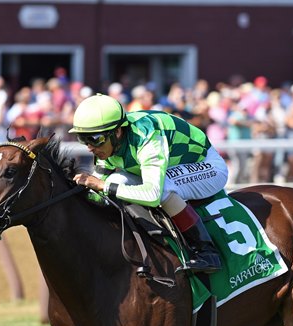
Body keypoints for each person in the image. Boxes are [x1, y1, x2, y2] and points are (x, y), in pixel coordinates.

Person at [70, 93, 228, 274]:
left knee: (163, 187)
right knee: (115, 181)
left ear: (117, 132)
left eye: (95, 139)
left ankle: (207, 252)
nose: (90, 147)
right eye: (84, 139)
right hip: (172, 167)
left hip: (207, 166)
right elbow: (97, 191)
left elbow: (152, 195)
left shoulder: (146, 136)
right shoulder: (109, 145)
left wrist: (103, 186)